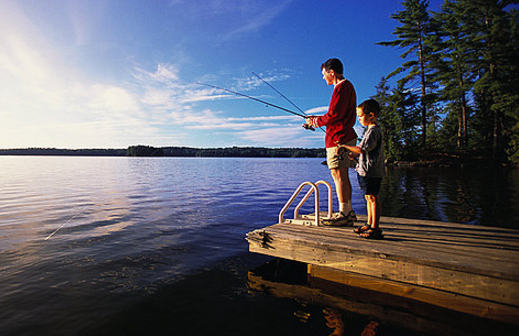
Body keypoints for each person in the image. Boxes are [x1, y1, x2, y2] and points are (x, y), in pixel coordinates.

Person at [305, 58, 358, 226]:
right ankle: (348, 212)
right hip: (341, 136)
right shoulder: (346, 87)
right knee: (341, 175)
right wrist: (318, 119)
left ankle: (344, 213)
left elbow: (334, 115)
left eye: (324, 74)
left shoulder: (342, 88)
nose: (323, 78)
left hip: (339, 139)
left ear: (331, 72)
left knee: (339, 175)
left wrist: (315, 122)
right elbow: (335, 114)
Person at [337, 99, 385, 239]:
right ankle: (369, 224)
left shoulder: (373, 131)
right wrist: (354, 157)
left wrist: (345, 146)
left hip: (371, 172)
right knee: (368, 198)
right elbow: (366, 152)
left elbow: (362, 149)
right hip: (366, 170)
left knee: (372, 198)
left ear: (371, 115)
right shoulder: (370, 131)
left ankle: (375, 228)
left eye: (360, 116)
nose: (358, 119)